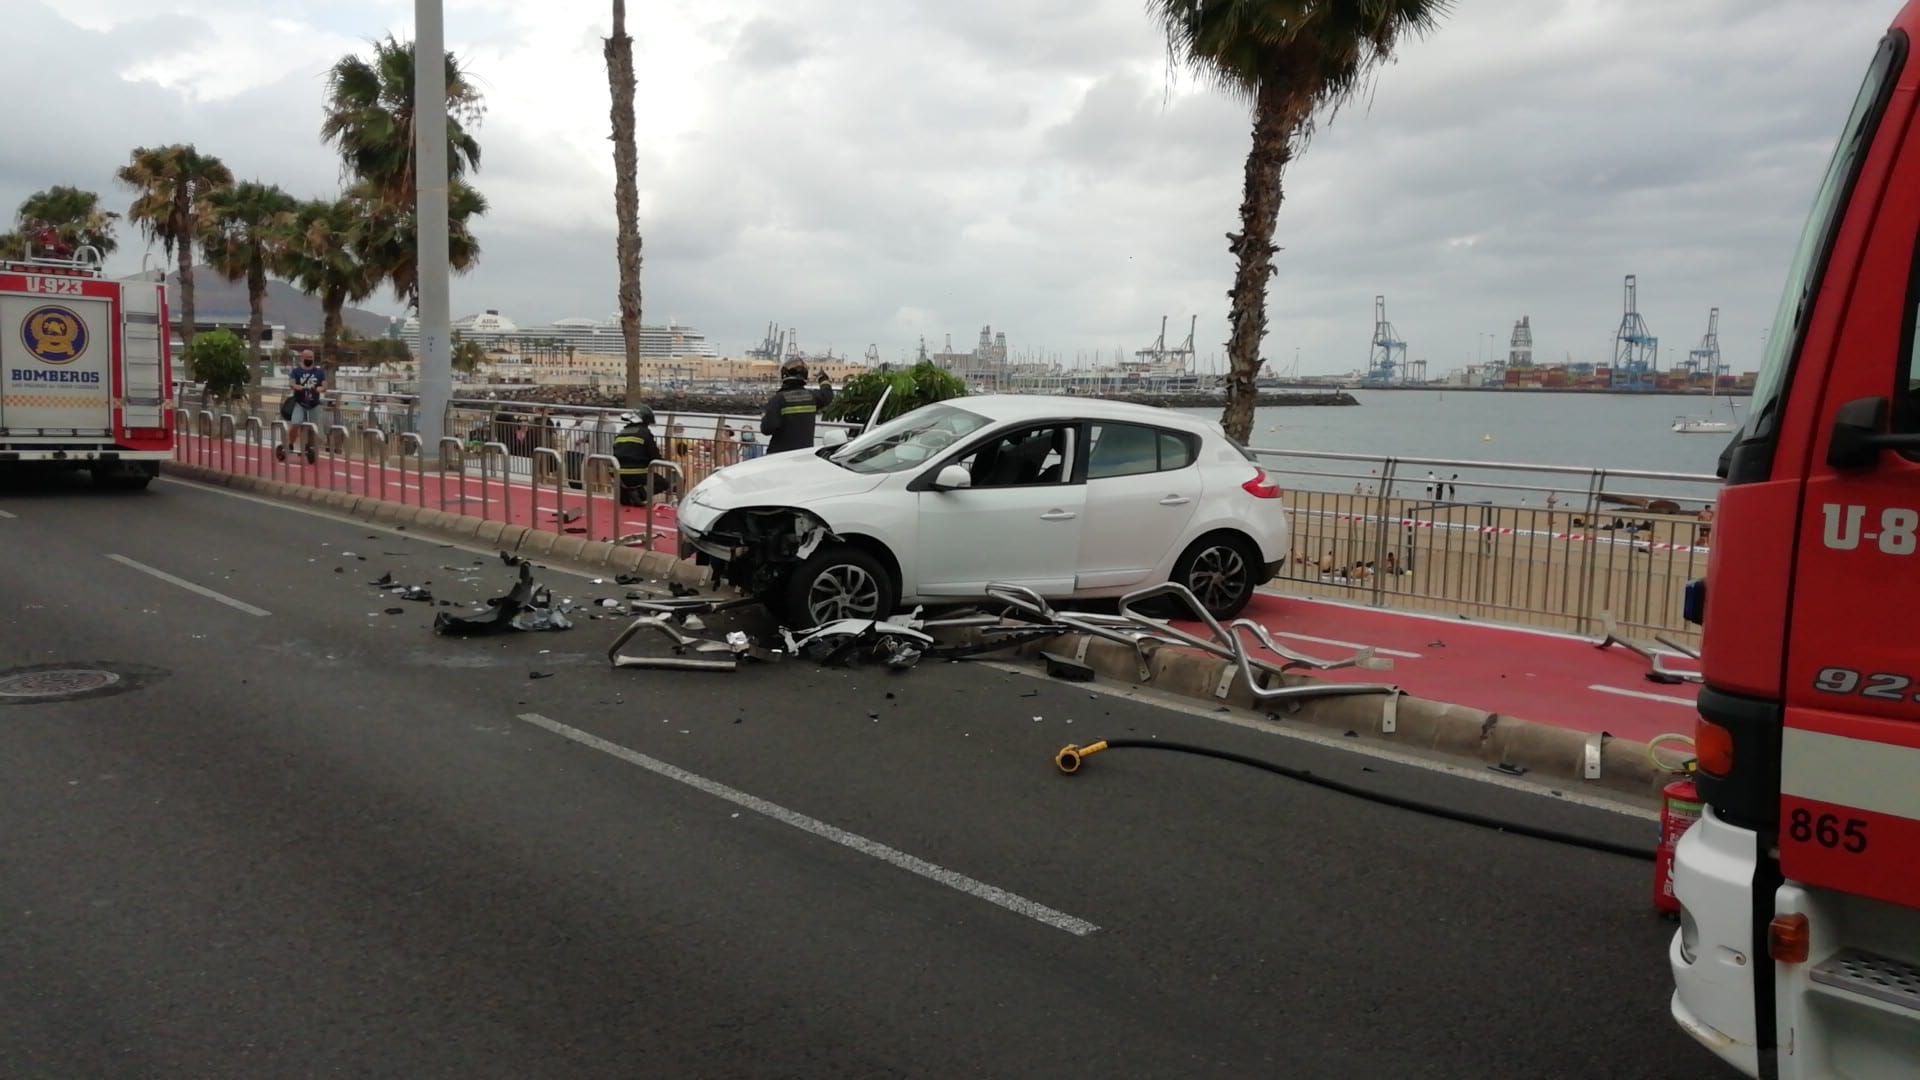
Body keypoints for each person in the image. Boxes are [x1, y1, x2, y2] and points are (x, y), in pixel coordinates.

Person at [760, 360, 834, 454]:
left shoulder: (778, 400)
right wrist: (823, 379)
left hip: (779, 454)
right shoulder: (812, 397)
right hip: (804, 453)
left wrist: (764, 418)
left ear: (784, 375)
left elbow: (767, 429)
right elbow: (827, 395)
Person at [279, 350, 325, 464]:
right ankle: (289, 443)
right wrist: (296, 386)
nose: (309, 359)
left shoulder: (319, 372)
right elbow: (291, 383)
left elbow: (324, 385)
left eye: (311, 357)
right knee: (296, 422)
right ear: (302, 358)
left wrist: (321, 388)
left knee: (313, 428)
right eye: (307, 357)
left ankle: (309, 446)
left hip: (314, 404)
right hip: (300, 403)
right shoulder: (296, 371)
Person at [612, 407, 663, 507]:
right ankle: (639, 493)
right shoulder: (645, 433)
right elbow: (655, 456)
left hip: (619, 473)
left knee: (626, 499)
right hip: (637, 473)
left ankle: (628, 494)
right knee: (662, 482)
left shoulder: (621, 433)